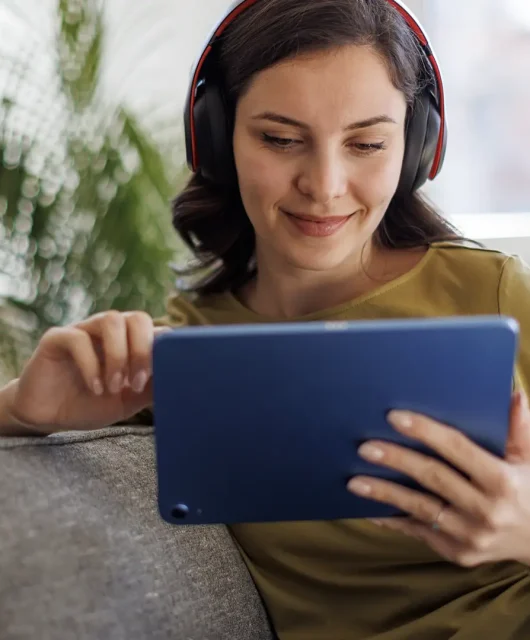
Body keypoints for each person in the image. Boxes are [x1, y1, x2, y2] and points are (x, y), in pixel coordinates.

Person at [1, 0, 530, 637]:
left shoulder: (492, 292)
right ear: (218, 136)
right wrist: (22, 412)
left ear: (415, 147)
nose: (326, 184)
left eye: (367, 143)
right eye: (280, 139)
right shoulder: (189, 349)